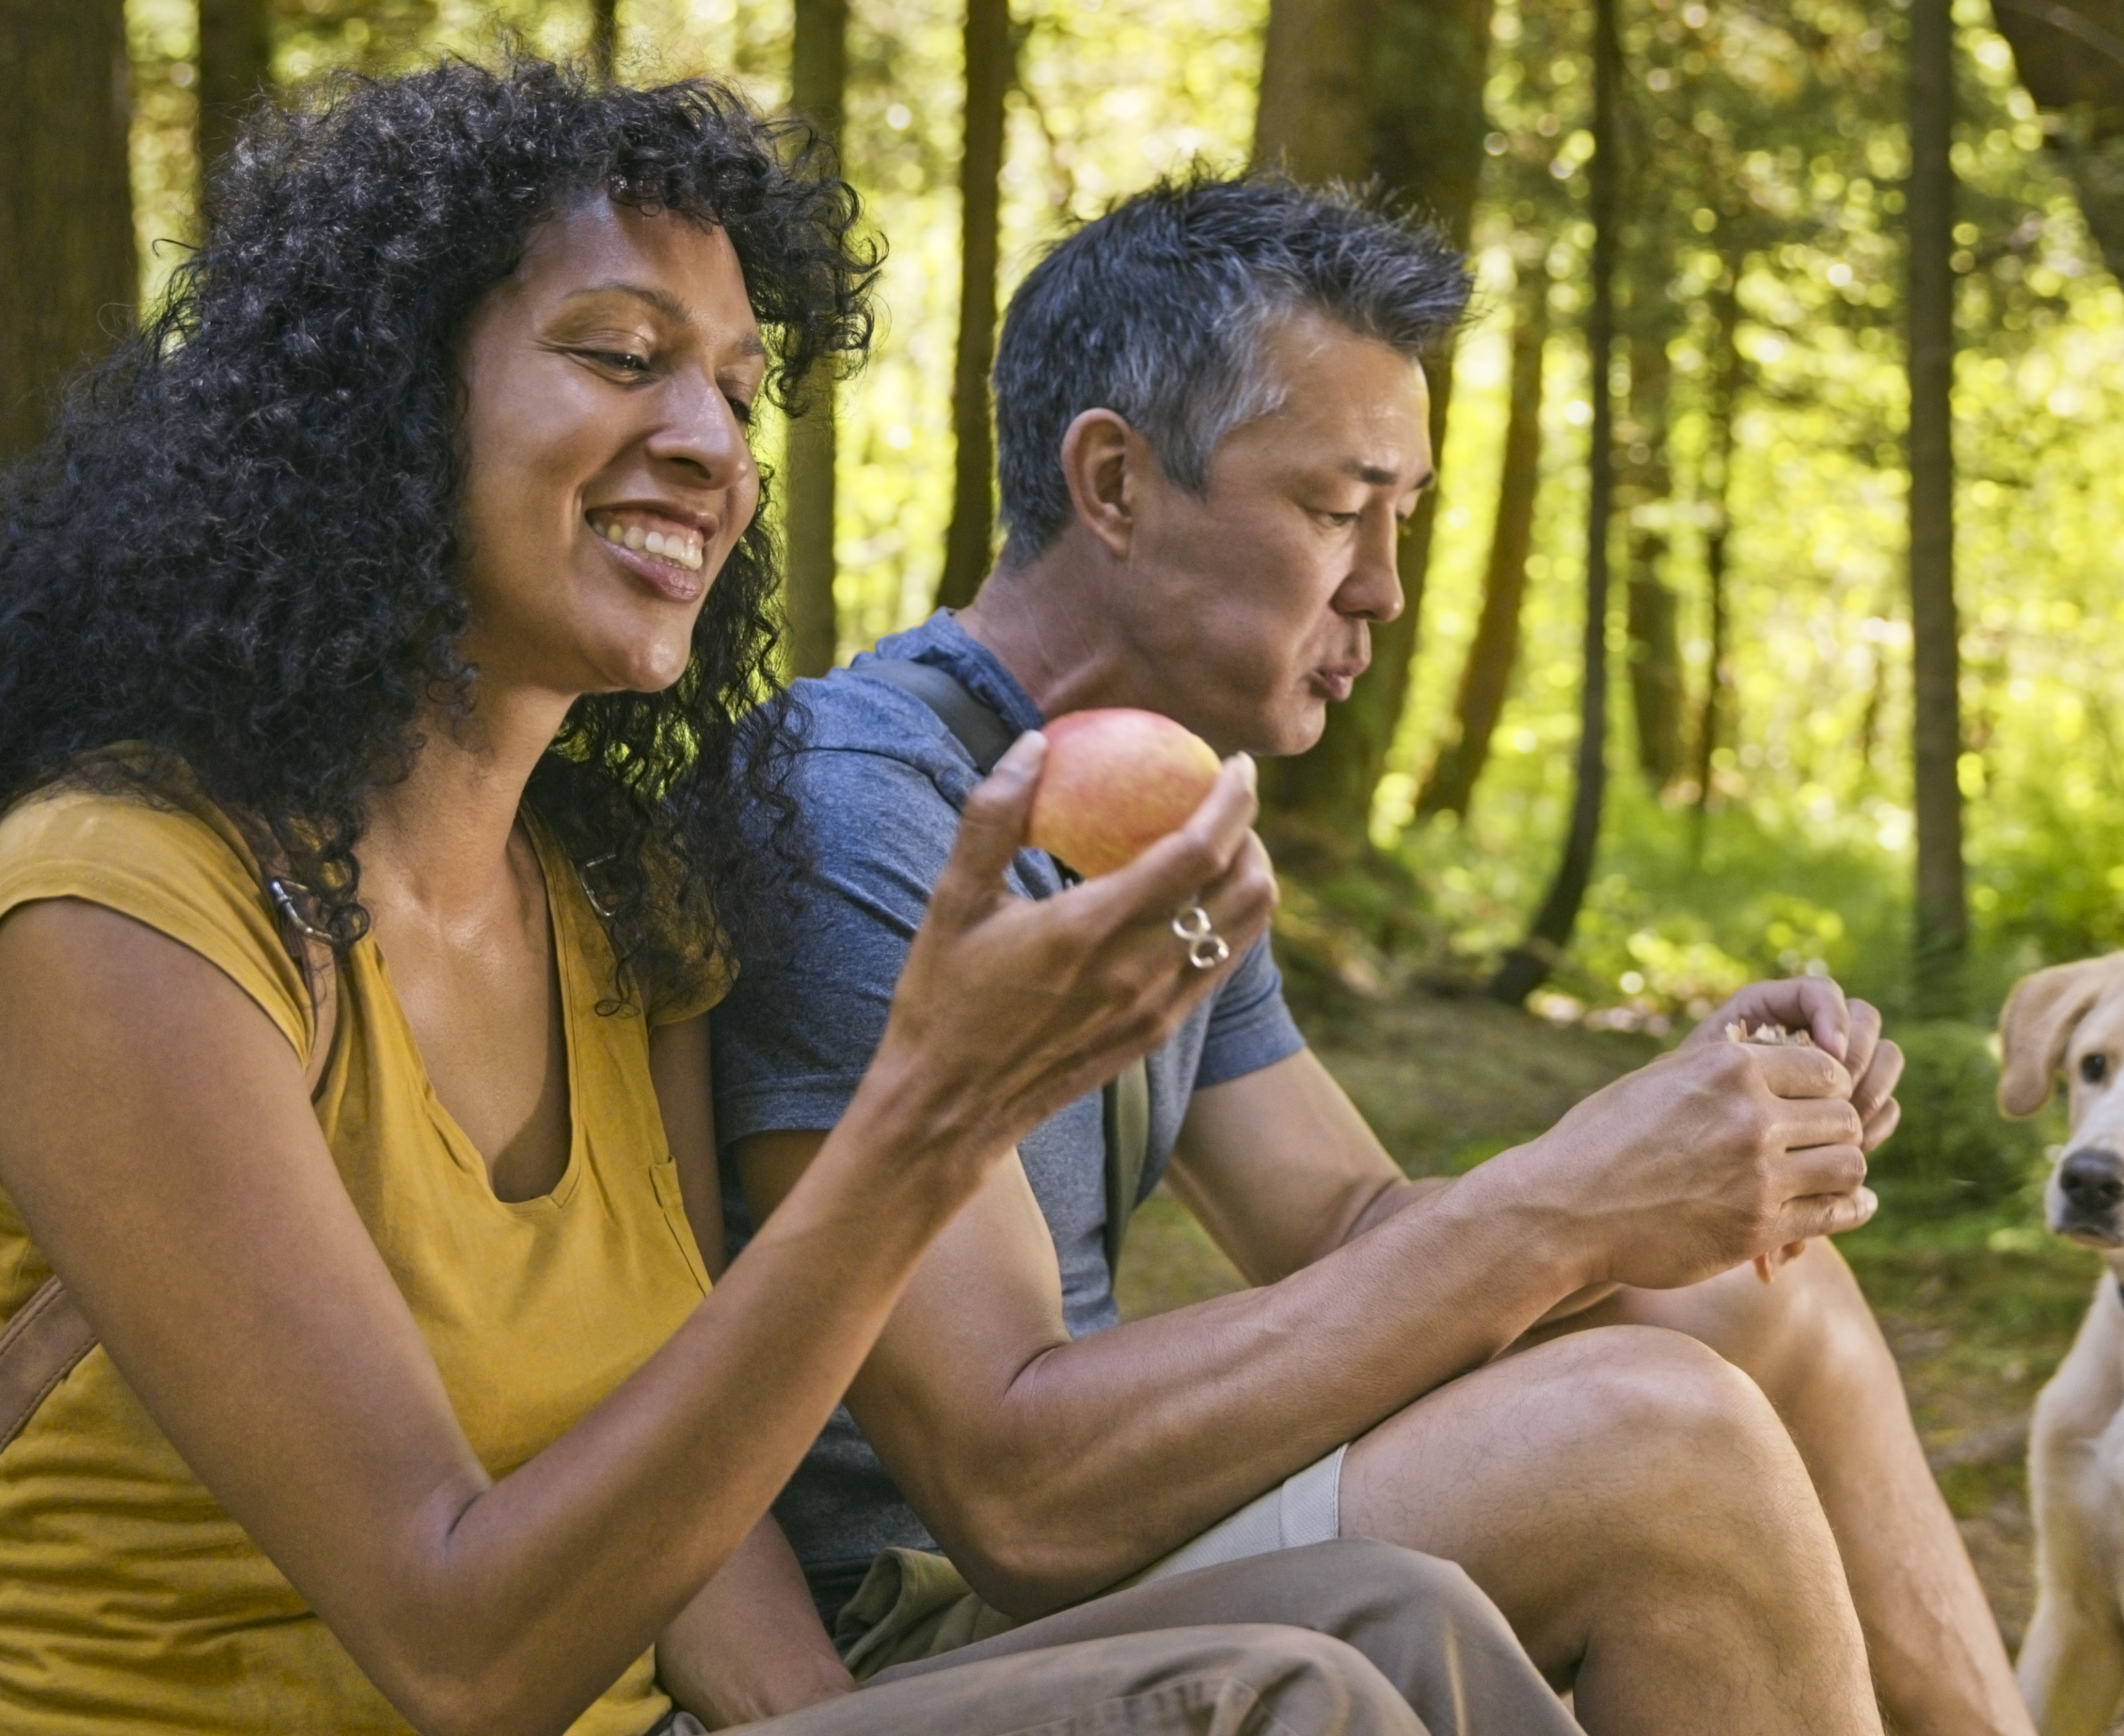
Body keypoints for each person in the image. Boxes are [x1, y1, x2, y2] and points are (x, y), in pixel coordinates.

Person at [0, 62, 1583, 1736]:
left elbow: (688, 1499)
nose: (710, 441)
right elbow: (460, 1643)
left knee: (1391, 1620)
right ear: (381, 405)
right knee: (1290, 1700)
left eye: (731, 383)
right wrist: (934, 1113)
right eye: (622, 357)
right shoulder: (118, 913)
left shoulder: (610, 906)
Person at [714, 176, 2037, 1736]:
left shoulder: (1167, 816)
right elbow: (1017, 1486)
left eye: (1400, 520)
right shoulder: (867, 808)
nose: (1388, 590)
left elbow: (1345, 1221)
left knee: (1760, 1301)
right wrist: (1567, 1202)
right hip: (915, 1630)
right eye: (1340, 510)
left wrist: (1665, 1136)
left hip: (1080, 1556)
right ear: (1116, 484)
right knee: (1657, 1442)